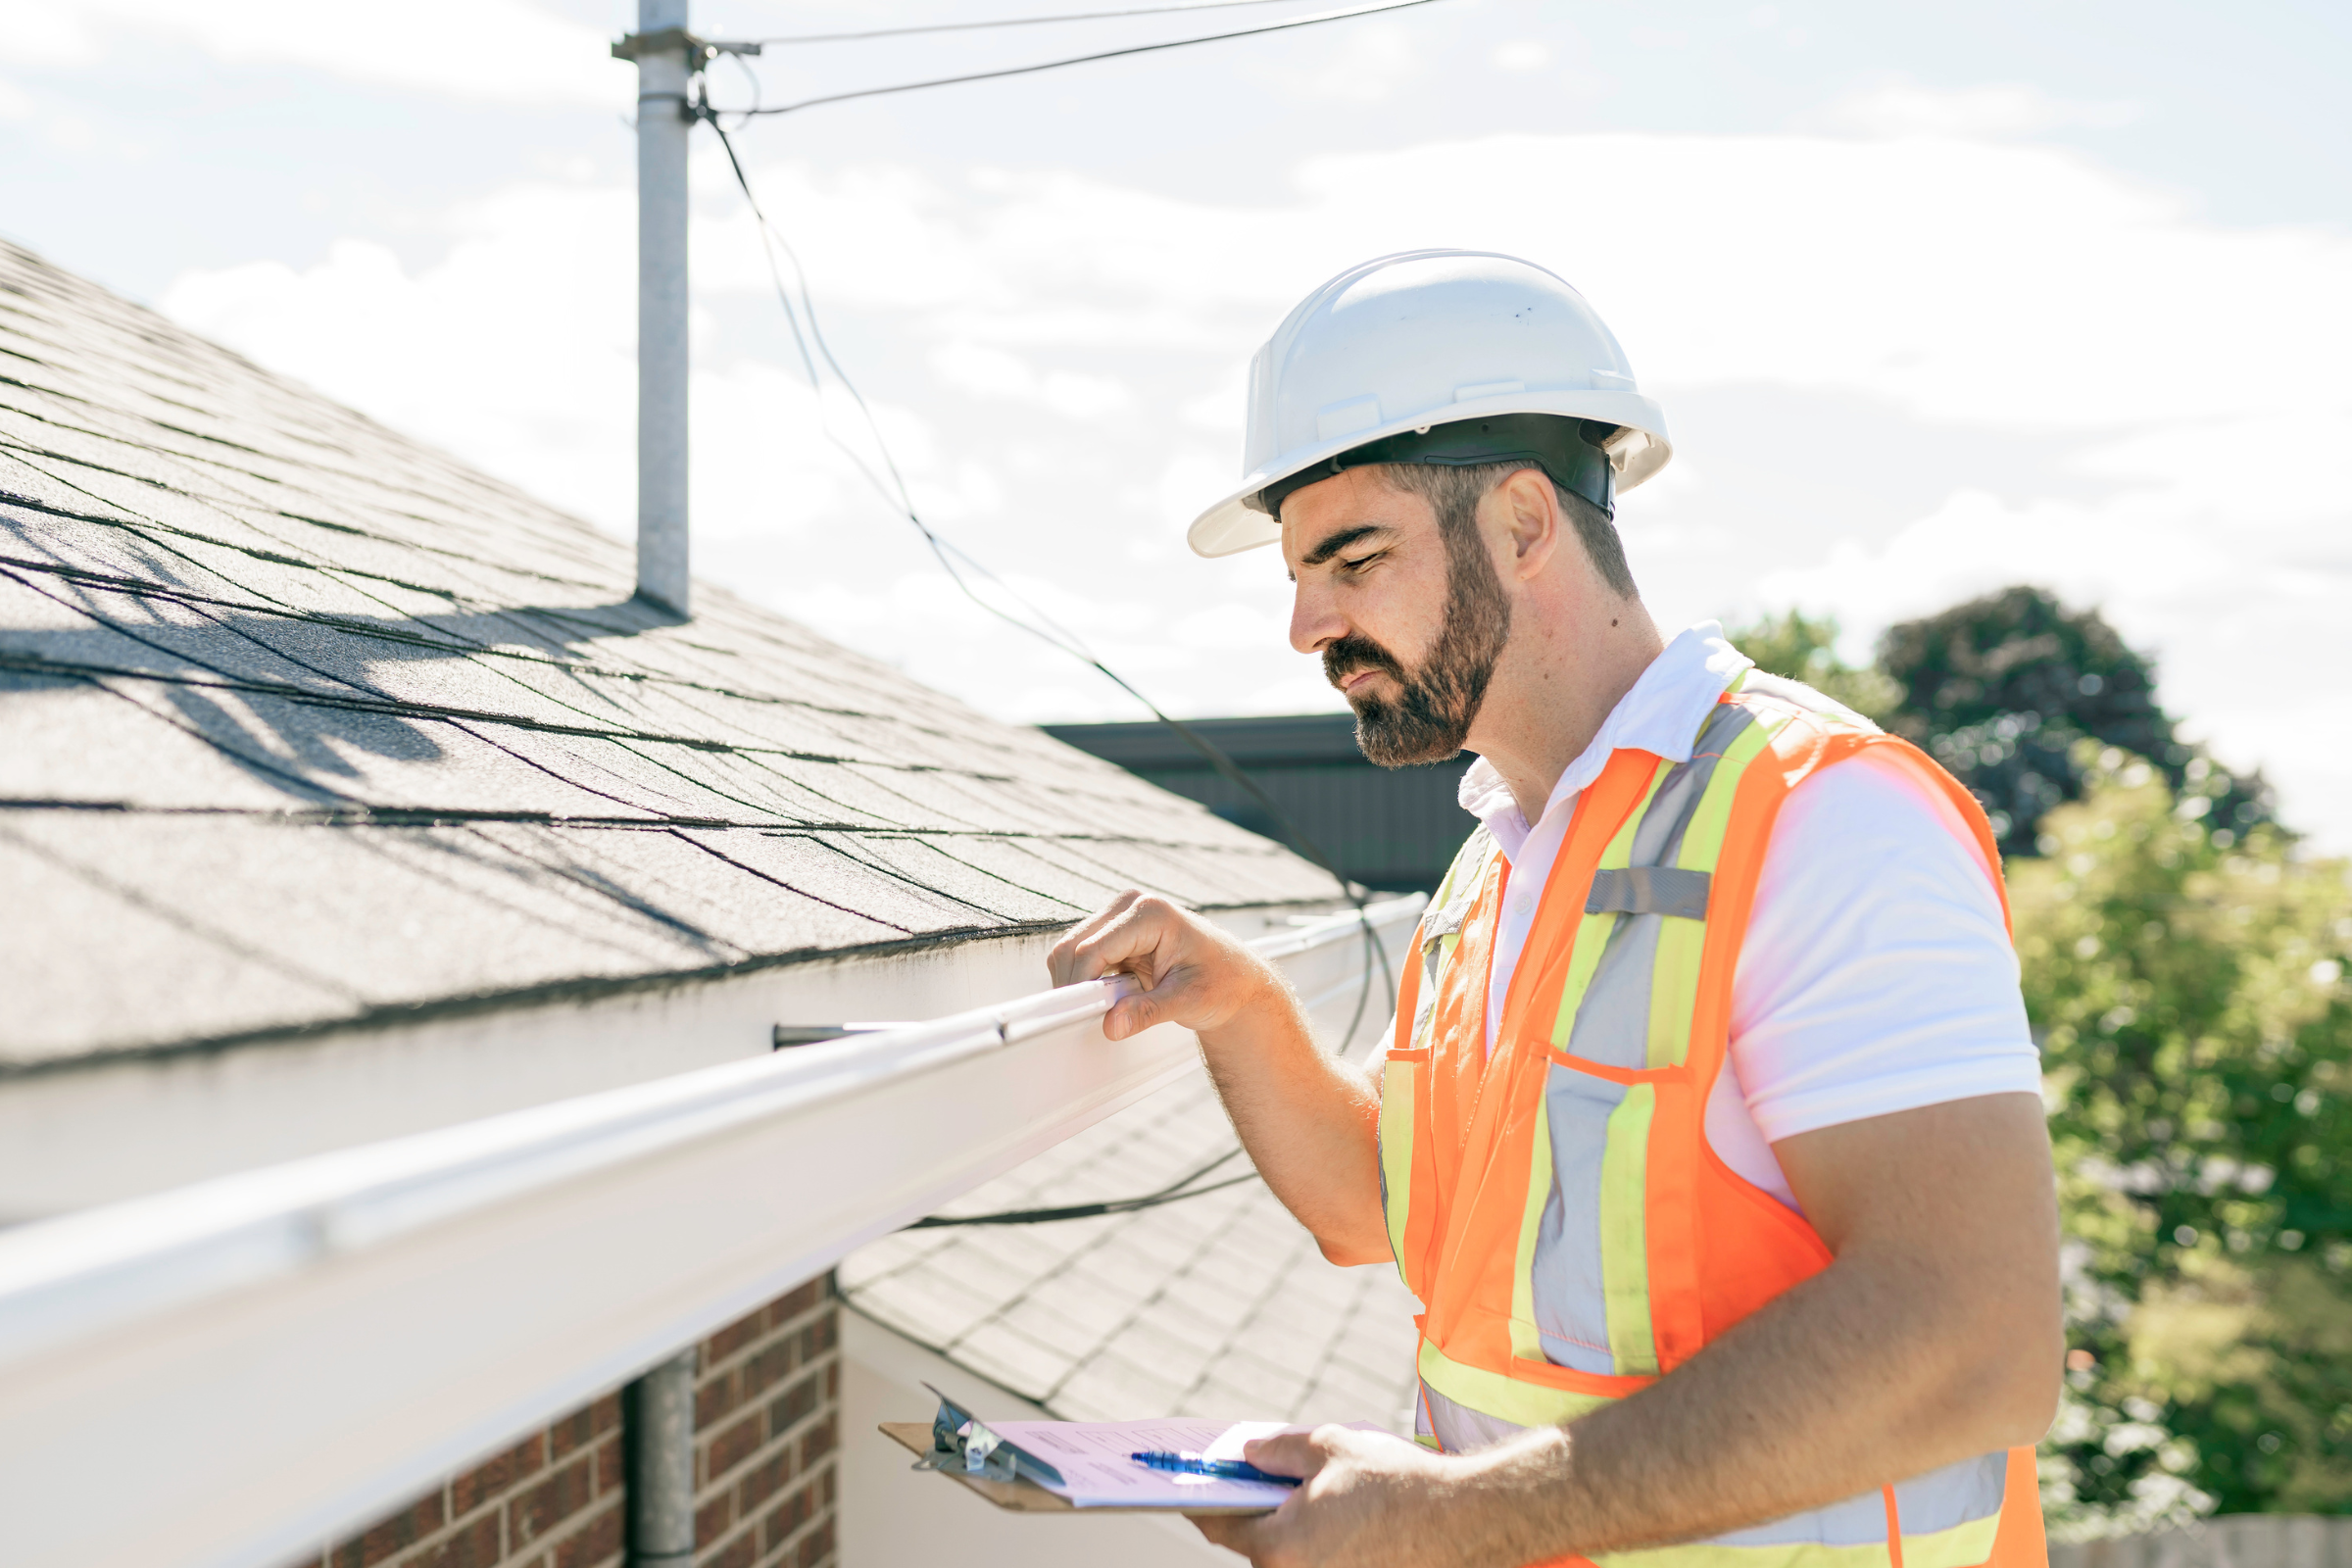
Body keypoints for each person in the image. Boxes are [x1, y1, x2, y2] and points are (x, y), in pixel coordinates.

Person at [1048, 252, 2061, 1568]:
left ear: (1526, 525)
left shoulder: (1824, 820)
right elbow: (1383, 1210)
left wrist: (1440, 1517)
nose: (1306, 625)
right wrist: (1241, 1009)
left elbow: (1972, 1342)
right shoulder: (1498, 867)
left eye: (1352, 559)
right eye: (1298, 576)